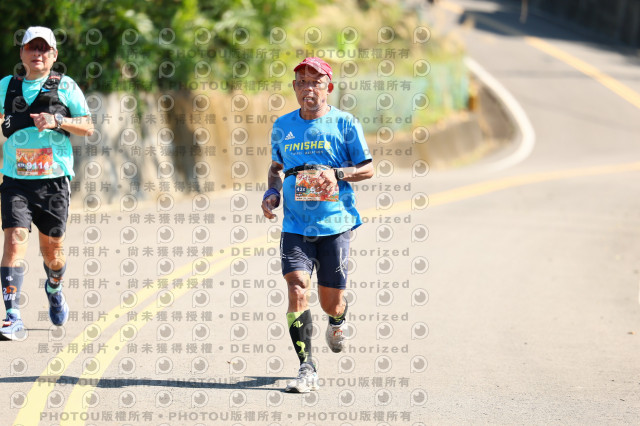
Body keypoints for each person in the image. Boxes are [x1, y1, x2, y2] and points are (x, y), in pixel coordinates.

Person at [261, 57, 373, 392]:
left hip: (335, 224)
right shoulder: (282, 125)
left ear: (329, 87)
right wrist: (272, 192)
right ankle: (306, 367)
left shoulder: (345, 123)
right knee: (297, 287)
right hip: (295, 225)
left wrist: (337, 174)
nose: (308, 89)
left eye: (316, 82)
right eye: (302, 82)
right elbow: (276, 168)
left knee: (330, 302)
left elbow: (367, 168)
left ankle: (338, 319)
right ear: (294, 88)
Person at [0, 26, 94, 340]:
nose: (37, 54)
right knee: (14, 241)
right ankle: (12, 316)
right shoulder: (6, 86)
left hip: (53, 184)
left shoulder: (65, 86)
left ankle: (54, 287)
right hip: (16, 182)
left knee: (52, 253)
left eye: (44, 49)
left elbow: (88, 126)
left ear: (54, 55)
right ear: (22, 53)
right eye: (32, 47)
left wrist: (57, 121)